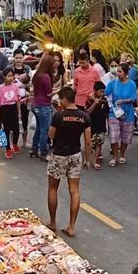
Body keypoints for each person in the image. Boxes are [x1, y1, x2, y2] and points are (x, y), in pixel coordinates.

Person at [46, 86, 92, 236]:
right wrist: (88, 159)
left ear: (65, 99)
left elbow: (51, 136)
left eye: (60, 99)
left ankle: (53, 222)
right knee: (75, 191)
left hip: (59, 155)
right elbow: (87, 140)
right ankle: (71, 226)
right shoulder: (84, 117)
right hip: (75, 155)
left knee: (53, 188)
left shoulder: (59, 116)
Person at [105, 62, 138, 167]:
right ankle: (114, 156)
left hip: (128, 113)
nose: (118, 73)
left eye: (120, 71)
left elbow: (133, 98)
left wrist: (123, 101)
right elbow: (105, 92)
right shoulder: (113, 83)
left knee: (126, 136)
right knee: (114, 135)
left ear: (126, 73)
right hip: (114, 113)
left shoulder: (132, 84)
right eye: (117, 71)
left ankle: (122, 154)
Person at [29, 52, 55, 159]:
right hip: (43, 105)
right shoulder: (46, 77)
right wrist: (59, 91)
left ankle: (34, 149)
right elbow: (49, 94)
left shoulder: (37, 75)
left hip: (35, 104)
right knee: (45, 129)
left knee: (39, 128)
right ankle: (43, 152)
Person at [86, 80, 109, 170]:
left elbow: (106, 113)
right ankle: (88, 159)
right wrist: (94, 104)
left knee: (99, 143)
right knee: (90, 143)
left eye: (103, 92)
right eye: (100, 92)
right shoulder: (89, 99)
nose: (102, 93)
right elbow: (87, 112)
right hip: (91, 125)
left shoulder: (104, 100)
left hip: (101, 125)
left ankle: (95, 160)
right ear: (95, 91)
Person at [10, 50, 31, 146]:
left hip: (24, 100)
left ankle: (25, 140)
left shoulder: (27, 69)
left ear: (23, 58)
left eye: (20, 58)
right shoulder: (9, 69)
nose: (18, 60)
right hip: (12, 100)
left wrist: (25, 88)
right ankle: (12, 142)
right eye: (17, 58)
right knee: (13, 120)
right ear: (14, 58)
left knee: (25, 119)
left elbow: (30, 83)